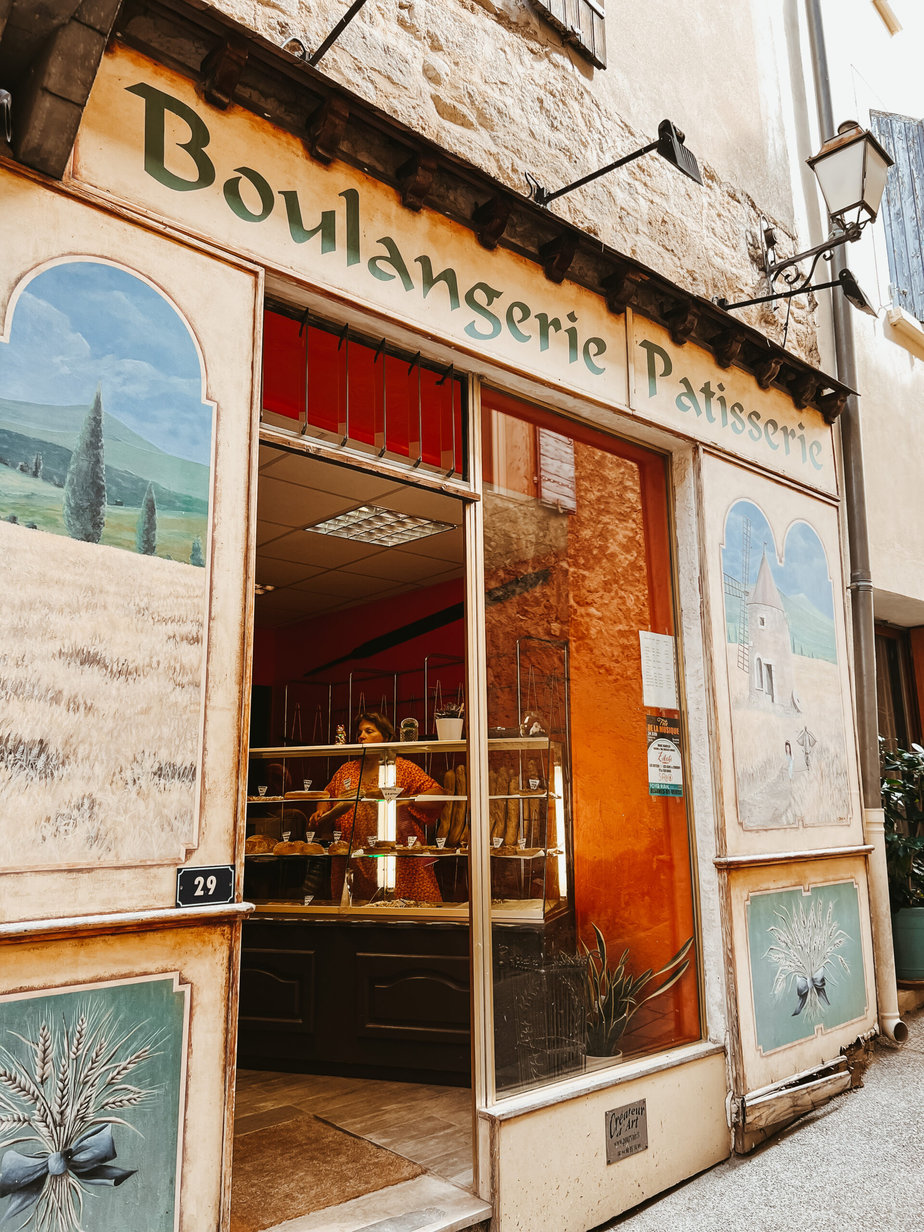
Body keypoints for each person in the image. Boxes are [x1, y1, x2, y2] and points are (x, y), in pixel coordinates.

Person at [310, 712, 444, 902]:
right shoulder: (346, 770)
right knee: (360, 914)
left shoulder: (403, 768)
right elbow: (327, 794)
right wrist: (322, 810)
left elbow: (438, 795)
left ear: (387, 737)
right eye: (360, 732)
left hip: (398, 861)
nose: (361, 736)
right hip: (354, 858)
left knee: (407, 912)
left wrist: (407, 799)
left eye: (369, 731)